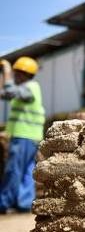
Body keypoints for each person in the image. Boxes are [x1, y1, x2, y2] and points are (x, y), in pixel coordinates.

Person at [0, 56, 45, 213]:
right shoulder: (28, 88)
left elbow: (9, 91)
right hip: (31, 137)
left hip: (24, 136)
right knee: (27, 171)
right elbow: (4, 94)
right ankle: (24, 204)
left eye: (18, 74)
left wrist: (6, 72)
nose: (16, 76)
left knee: (14, 170)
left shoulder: (29, 87)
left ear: (25, 74)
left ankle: (4, 203)